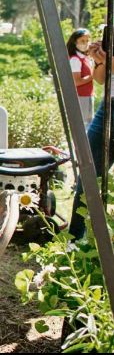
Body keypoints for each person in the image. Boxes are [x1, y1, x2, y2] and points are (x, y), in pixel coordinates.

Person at [69, 36, 114, 239]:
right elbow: (101, 79)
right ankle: (76, 238)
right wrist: (102, 60)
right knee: (89, 170)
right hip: (109, 107)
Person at [67, 28, 94, 128]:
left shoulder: (85, 58)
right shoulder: (75, 59)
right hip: (81, 96)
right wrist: (93, 76)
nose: (86, 43)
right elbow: (76, 82)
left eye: (87, 41)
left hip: (87, 95)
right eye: (82, 41)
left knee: (89, 123)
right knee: (83, 125)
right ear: (75, 42)